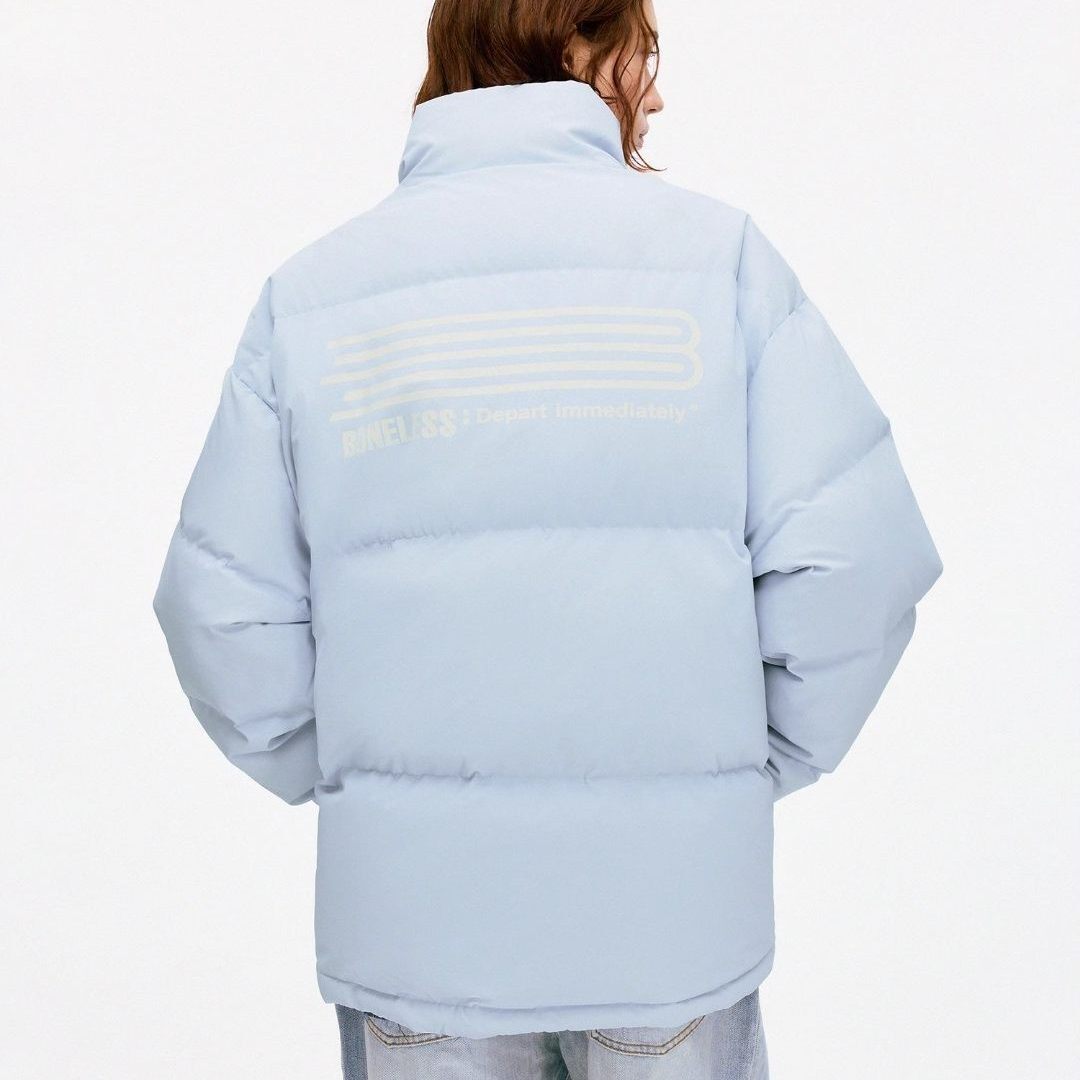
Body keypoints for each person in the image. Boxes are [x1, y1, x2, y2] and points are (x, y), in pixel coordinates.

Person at [151, 1, 944, 1077]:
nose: (654, 93)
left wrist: (373, 784)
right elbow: (855, 561)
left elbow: (221, 611)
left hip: (421, 932)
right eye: (641, 55)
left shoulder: (315, 296)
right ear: (572, 45)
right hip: (667, 925)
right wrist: (736, 770)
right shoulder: (720, 264)